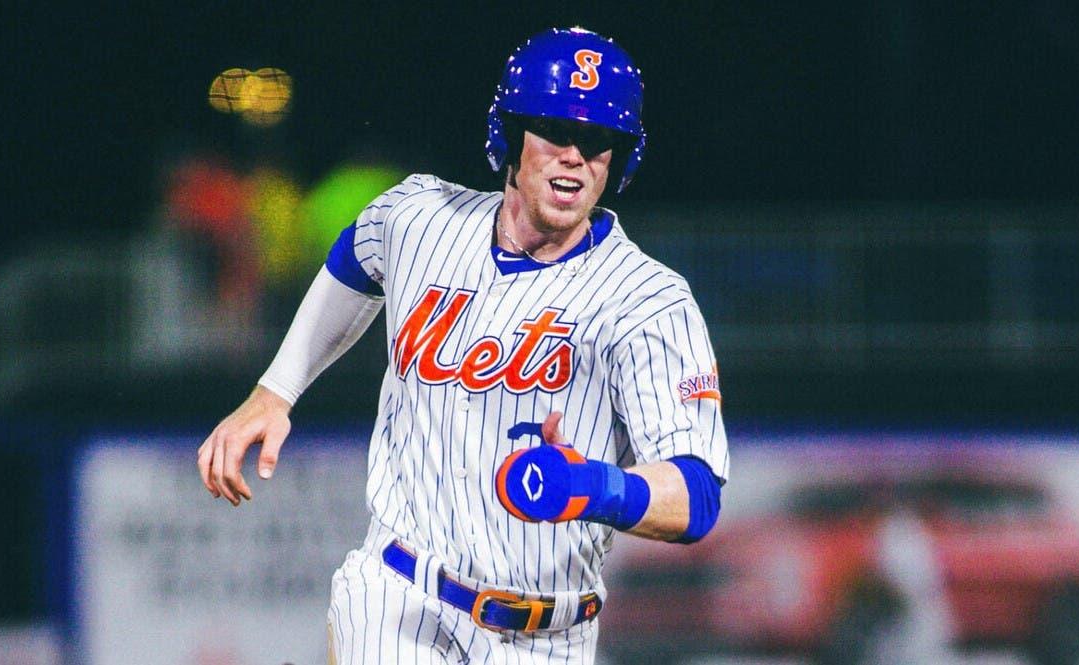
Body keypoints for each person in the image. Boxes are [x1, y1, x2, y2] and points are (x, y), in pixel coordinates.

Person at [197, 27, 730, 664]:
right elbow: (356, 257)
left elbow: (697, 495)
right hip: (398, 602)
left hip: (550, 636)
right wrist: (275, 391)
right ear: (508, 137)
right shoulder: (421, 218)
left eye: (598, 142)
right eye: (555, 131)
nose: (575, 156)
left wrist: (590, 485)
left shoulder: (649, 301)